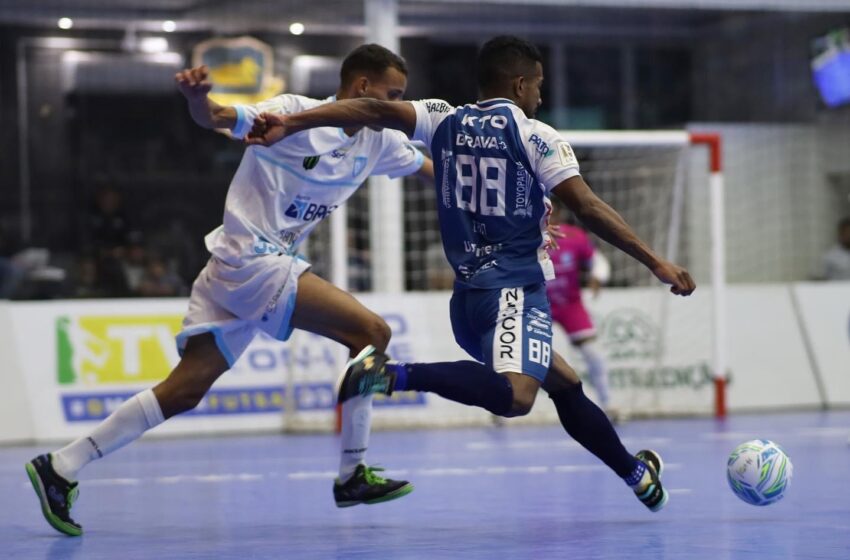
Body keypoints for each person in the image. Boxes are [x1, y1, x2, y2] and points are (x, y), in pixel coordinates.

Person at [246, 35, 695, 513]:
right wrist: (655, 261)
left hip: (468, 302)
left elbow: (368, 111)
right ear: (520, 84)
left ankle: (636, 475)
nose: (540, 96)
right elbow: (586, 205)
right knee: (518, 397)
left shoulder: (443, 116)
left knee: (563, 383)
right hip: (513, 295)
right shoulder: (536, 135)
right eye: (538, 85)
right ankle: (389, 375)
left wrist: (293, 122)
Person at [25, 44, 434, 537]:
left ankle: (62, 466)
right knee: (371, 332)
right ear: (363, 87)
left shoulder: (378, 140)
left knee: (186, 389)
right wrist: (199, 99)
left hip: (236, 270)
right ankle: (353, 472)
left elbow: (430, 169)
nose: (396, 106)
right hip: (250, 260)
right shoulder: (292, 113)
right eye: (392, 95)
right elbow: (217, 116)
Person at [546, 206, 619, 422]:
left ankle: (608, 404)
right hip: (536, 304)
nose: (549, 216)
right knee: (520, 353)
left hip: (570, 304)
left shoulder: (574, 236)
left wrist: (597, 276)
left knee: (593, 352)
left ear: (559, 213)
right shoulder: (523, 234)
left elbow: (598, 260)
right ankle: (500, 412)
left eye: (551, 211)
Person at [815, 216, 850, 281]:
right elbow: (822, 278)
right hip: (837, 289)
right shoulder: (830, 256)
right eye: (846, 232)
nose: (848, 235)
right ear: (840, 233)